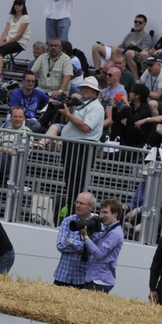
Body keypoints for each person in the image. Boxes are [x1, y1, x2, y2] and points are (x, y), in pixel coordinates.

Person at [57, 77, 105, 218]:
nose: (84, 90)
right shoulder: (85, 105)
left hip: (81, 149)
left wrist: (67, 114)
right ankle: (72, 214)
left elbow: (85, 127)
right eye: (83, 87)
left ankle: (75, 215)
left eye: (88, 88)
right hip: (73, 147)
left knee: (76, 184)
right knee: (71, 183)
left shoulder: (96, 107)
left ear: (95, 92)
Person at [52, 191, 100, 288]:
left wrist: (70, 241)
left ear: (91, 207)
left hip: (82, 279)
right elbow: (60, 246)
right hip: (62, 276)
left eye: (81, 203)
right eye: (76, 202)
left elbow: (93, 250)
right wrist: (84, 246)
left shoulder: (97, 224)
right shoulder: (68, 221)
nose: (77, 205)